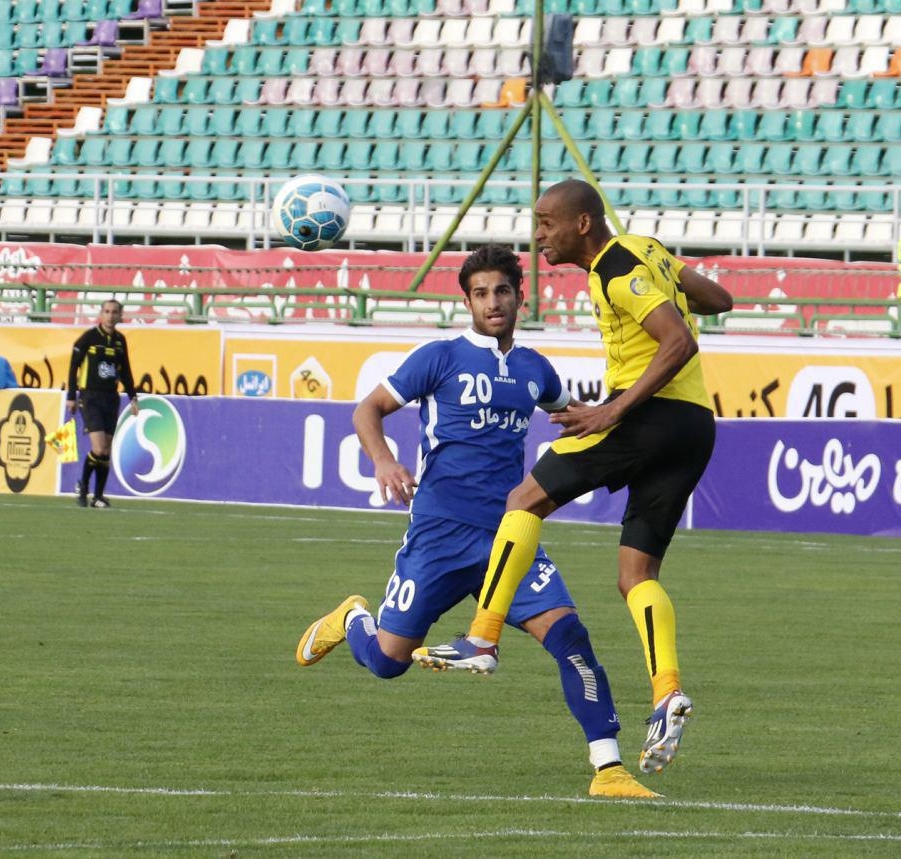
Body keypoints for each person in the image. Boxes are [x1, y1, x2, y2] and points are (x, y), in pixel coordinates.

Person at [295, 244, 657, 799]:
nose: (493, 302)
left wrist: (630, 420)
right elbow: (367, 410)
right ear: (467, 301)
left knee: (571, 638)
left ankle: (608, 769)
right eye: (481, 293)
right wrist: (385, 461)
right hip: (439, 534)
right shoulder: (439, 358)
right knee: (389, 663)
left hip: (510, 535)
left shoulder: (535, 369)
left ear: (519, 297)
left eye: (502, 291)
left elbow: (577, 417)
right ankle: (352, 618)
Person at [414, 180, 733, 777]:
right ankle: (667, 692)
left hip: (646, 415)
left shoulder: (615, 266)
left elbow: (679, 341)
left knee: (523, 500)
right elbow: (719, 299)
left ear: (582, 223)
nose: (539, 234)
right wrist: (669, 282)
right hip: (695, 426)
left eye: (546, 222)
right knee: (636, 576)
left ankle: (482, 637)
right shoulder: (647, 251)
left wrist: (614, 410)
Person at [66, 299, 139, 509]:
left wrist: (133, 397)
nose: (110, 316)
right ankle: (82, 485)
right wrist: (71, 395)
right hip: (90, 397)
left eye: (114, 312)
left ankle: (98, 496)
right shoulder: (89, 338)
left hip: (111, 398)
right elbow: (73, 366)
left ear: (120, 316)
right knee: (98, 448)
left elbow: (126, 371)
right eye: (106, 311)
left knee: (106, 450)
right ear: (101, 314)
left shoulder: (120, 341)